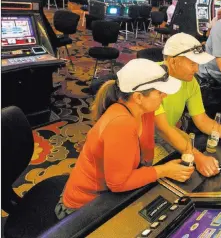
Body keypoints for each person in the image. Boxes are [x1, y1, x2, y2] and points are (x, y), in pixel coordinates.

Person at [55, 59, 194, 219]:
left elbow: (148, 153)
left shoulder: (145, 111)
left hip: (110, 191)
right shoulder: (121, 123)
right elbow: (118, 183)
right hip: (84, 205)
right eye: (159, 92)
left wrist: (189, 151)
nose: (165, 95)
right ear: (138, 97)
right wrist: (164, 170)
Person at [155, 33, 221, 177]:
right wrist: (197, 157)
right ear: (173, 61)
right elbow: (162, 129)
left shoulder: (190, 82)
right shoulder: (151, 81)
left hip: (167, 133)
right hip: (143, 140)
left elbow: (202, 120)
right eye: (192, 63)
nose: (196, 69)